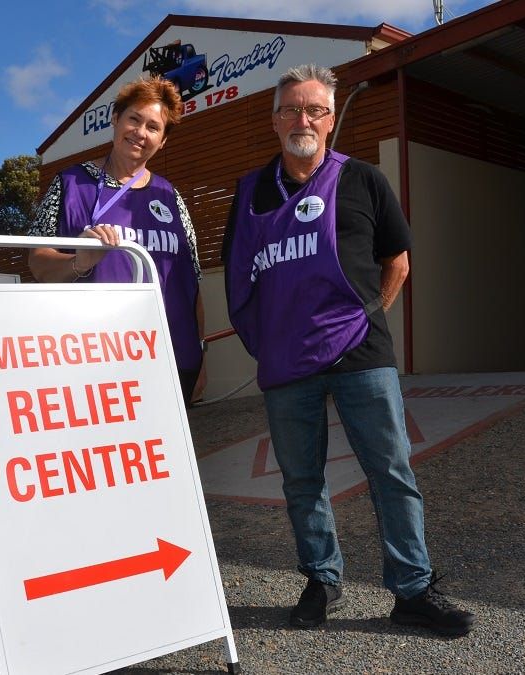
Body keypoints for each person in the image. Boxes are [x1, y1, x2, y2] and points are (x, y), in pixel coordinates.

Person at [221, 64, 475, 636]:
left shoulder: (363, 180)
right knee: (301, 479)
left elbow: (398, 261)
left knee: (391, 470)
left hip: (361, 357)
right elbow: (240, 279)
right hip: (286, 363)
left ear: (331, 119)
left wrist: (366, 318)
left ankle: (412, 589)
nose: (301, 119)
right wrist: (266, 342)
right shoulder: (250, 191)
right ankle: (322, 579)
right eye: (290, 109)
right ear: (274, 120)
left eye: (313, 109)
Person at [29, 76, 206, 405]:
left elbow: (191, 281)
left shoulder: (170, 196)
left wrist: (201, 352)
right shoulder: (71, 183)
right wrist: (78, 261)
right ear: (115, 120)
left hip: (172, 358)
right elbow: (37, 263)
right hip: (97, 362)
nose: (140, 132)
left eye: (153, 127)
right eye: (134, 119)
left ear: (163, 141)